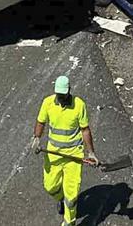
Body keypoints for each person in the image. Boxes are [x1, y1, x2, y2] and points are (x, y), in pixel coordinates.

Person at [32, 75, 99, 225]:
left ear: (69, 91)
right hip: (53, 154)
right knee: (50, 186)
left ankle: (69, 222)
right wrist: (36, 138)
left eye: (63, 95)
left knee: (72, 195)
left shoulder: (79, 105)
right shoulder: (48, 103)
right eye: (58, 95)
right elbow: (40, 121)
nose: (61, 98)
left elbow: (85, 130)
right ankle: (60, 198)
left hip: (73, 156)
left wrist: (91, 153)